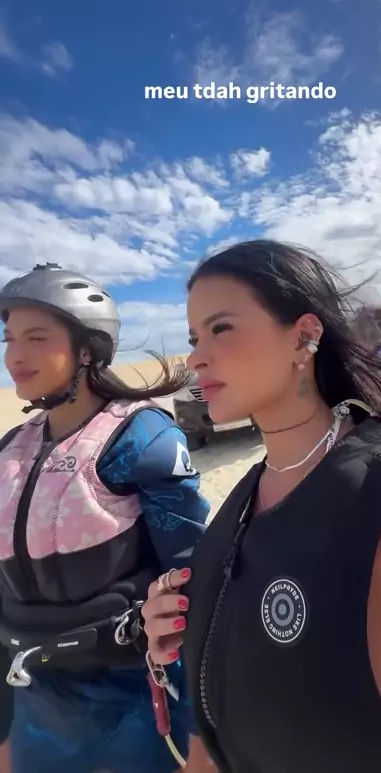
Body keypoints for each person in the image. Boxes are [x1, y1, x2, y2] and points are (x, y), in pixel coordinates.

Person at [142, 239, 381, 773]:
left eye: (221, 328)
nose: (196, 358)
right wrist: (200, 630)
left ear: (303, 336)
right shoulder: (241, 503)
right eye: (193, 338)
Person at [0, 262, 209, 773]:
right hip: (33, 703)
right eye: (9, 339)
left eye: (36, 337)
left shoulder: (140, 438)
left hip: (133, 699)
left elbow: (194, 582)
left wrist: (202, 736)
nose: (14, 356)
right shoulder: (9, 448)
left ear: (87, 350)